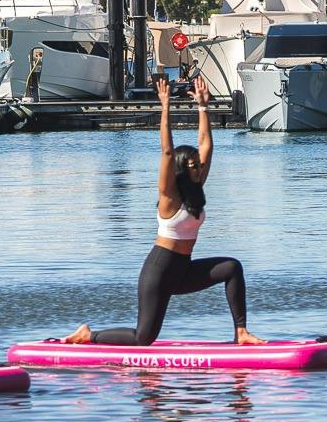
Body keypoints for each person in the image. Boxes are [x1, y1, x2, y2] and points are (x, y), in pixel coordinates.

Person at [62, 77, 261, 347]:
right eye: (192, 165)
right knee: (143, 337)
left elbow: (206, 145)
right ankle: (89, 335)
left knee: (231, 268)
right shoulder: (168, 197)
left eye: (197, 165)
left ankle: (241, 333)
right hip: (159, 270)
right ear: (180, 169)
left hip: (183, 269)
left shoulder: (195, 189)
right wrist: (165, 107)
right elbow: (167, 152)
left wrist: (203, 107)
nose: (198, 168)